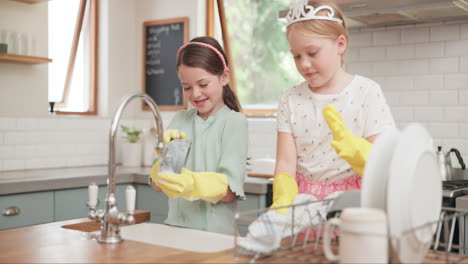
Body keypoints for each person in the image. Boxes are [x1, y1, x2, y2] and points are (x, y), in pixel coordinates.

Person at [270, 0, 395, 214]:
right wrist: (283, 200)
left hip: (353, 204)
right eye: (296, 56)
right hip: (302, 205)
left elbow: (384, 160)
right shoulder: (290, 98)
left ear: (340, 44)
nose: (304, 64)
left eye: (313, 53)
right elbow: (285, 162)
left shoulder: (367, 92)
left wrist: (359, 151)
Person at [149, 36, 248, 235]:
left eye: (203, 84)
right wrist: (162, 167)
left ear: (224, 76)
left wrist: (191, 184)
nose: (195, 94)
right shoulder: (180, 120)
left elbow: (229, 192)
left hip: (217, 236)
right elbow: (158, 186)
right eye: (187, 87)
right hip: (176, 230)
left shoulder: (234, 122)